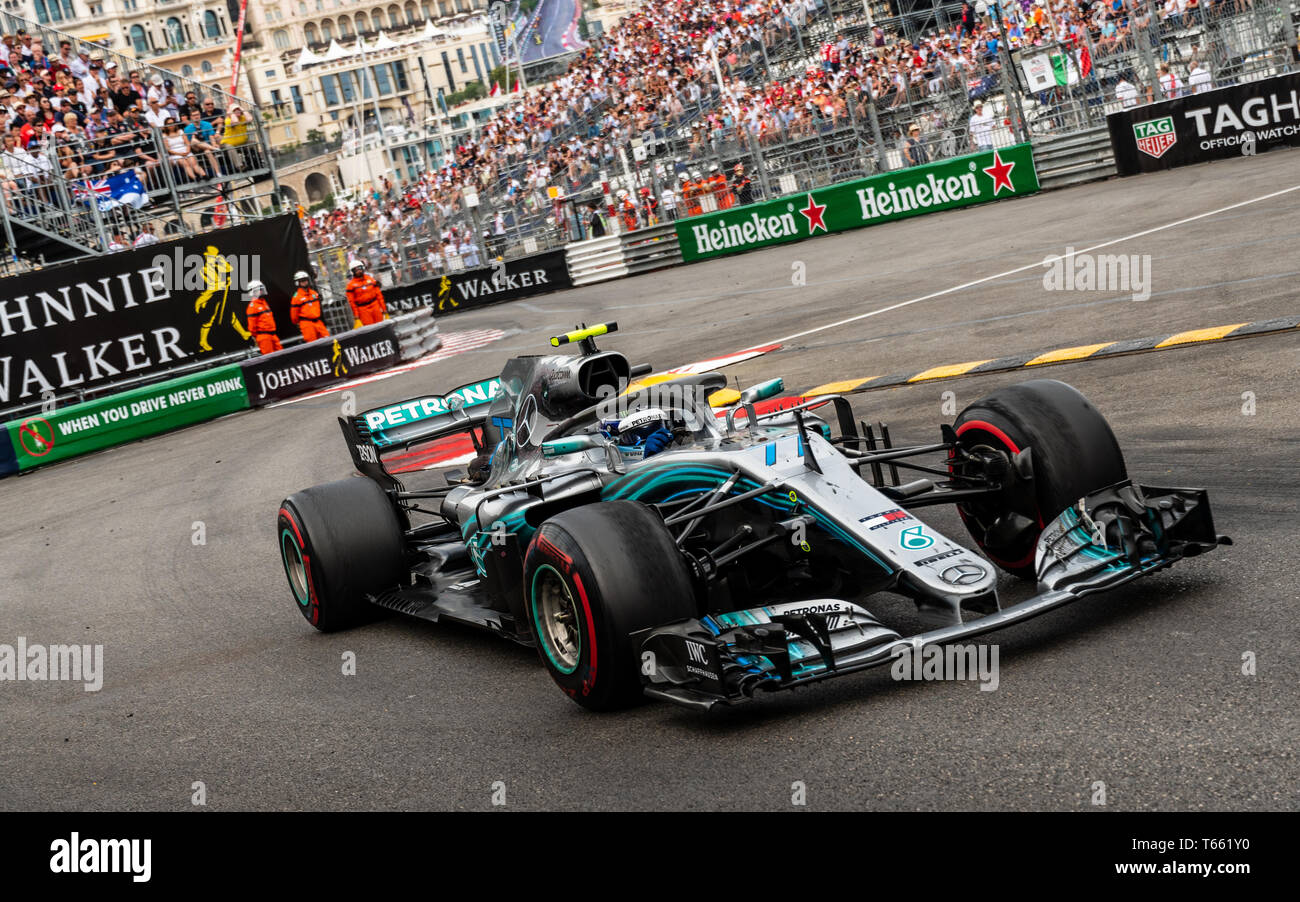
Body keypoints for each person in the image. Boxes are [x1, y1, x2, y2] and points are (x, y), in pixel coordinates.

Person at [289, 270, 330, 343]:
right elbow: (294, 316)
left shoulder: (314, 293)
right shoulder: (296, 297)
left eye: (305, 280)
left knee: (327, 340)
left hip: (318, 322)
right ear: (297, 283)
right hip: (307, 324)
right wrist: (299, 323)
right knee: (313, 344)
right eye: (302, 281)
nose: (304, 282)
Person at [344, 258, 387, 328]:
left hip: (375, 305)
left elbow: (379, 295)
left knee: (381, 325)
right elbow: (352, 302)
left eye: (360, 268)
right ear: (352, 271)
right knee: (369, 328)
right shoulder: (351, 285)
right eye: (356, 270)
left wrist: (384, 309)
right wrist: (356, 316)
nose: (359, 271)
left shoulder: (370, 279)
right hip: (363, 309)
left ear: (363, 268)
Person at [245, 280, 282, 355]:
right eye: (259, 289)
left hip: (273, 335)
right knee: (270, 358)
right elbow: (252, 327)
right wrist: (259, 335)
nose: (261, 291)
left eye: (262, 289)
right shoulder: (252, 307)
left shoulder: (264, 303)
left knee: (281, 355)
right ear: (253, 292)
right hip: (264, 337)